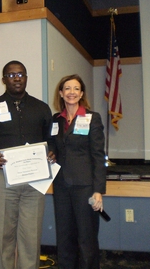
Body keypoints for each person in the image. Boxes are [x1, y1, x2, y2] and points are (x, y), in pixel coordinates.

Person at [0, 60, 56, 269]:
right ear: (4, 79)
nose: (17, 78)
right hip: (3, 180)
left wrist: (52, 152)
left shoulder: (41, 108)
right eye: (11, 75)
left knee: (31, 238)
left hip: (34, 182)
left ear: (26, 78)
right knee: (4, 237)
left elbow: (52, 140)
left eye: (21, 74)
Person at [51, 74, 107, 269]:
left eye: (76, 89)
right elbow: (52, 149)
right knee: (64, 237)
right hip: (61, 187)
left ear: (81, 93)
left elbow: (99, 155)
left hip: (85, 187)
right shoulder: (55, 120)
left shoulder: (92, 118)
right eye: (67, 88)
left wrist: (99, 190)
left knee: (86, 238)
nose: (71, 92)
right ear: (61, 93)